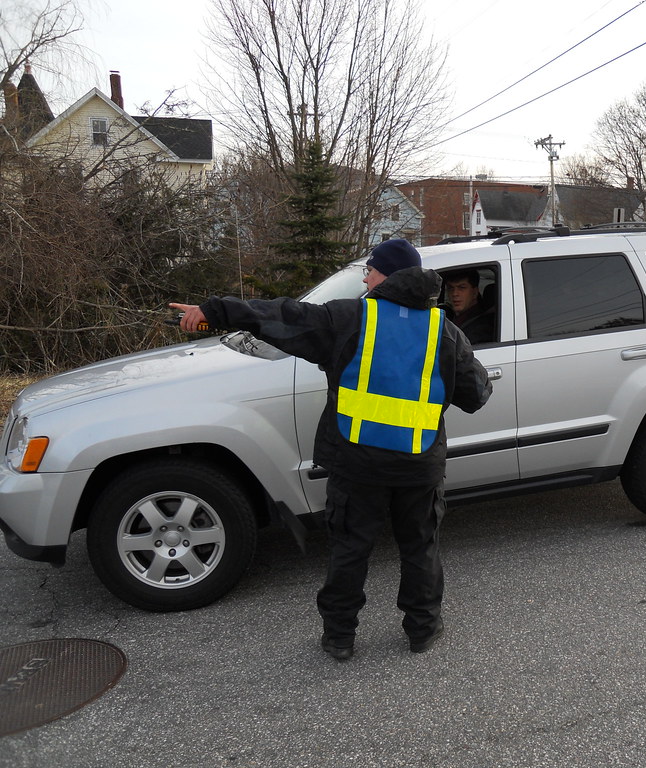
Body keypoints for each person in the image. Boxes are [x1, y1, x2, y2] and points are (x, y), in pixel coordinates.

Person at [169, 239, 491, 662]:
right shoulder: (445, 331)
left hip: (357, 463)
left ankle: (340, 636)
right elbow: (476, 394)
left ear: (387, 277)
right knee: (420, 547)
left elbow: (283, 316)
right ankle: (423, 629)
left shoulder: (349, 318)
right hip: (419, 464)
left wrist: (216, 309)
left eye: (370, 272)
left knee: (350, 548)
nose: (365, 277)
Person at [443, 268, 495, 346]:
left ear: (474, 293)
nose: (454, 293)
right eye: (450, 288)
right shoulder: (450, 315)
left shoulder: (481, 329)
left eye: (461, 287)